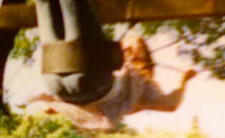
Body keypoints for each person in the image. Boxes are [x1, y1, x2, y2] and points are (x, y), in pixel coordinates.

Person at [26, 34, 197, 130]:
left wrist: (183, 82)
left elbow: (170, 104)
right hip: (91, 88)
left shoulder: (143, 82)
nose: (129, 52)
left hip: (100, 109)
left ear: (144, 55)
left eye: (134, 48)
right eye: (125, 49)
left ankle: (54, 100)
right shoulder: (110, 64)